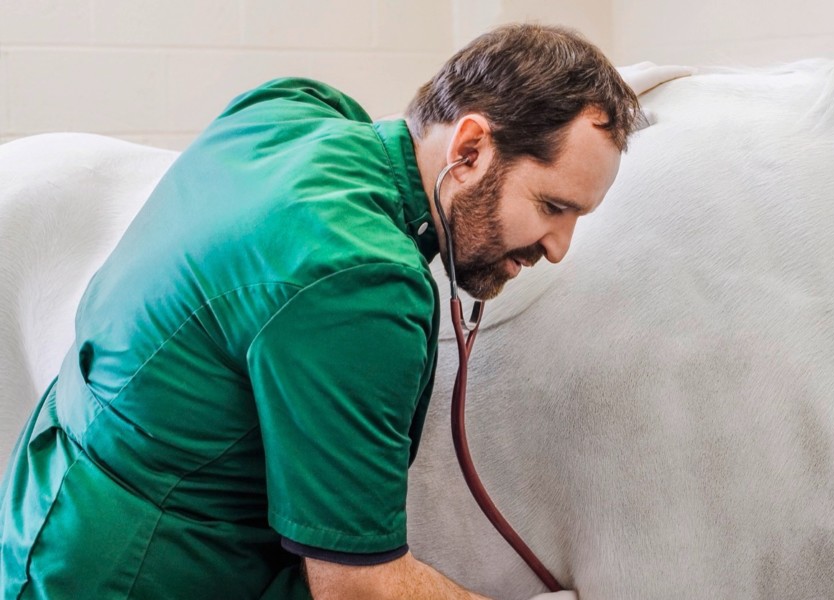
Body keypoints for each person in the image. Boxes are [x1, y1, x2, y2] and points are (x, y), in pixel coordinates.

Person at [0, 23, 688, 600]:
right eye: (551, 206)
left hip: (43, 501)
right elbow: (359, 586)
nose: (560, 248)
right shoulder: (364, 283)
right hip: (124, 575)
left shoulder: (292, 109)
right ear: (470, 149)